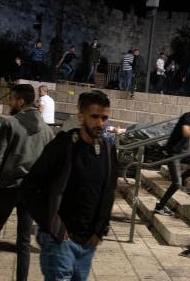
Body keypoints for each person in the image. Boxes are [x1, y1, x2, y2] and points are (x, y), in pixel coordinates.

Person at [22, 90, 120, 280]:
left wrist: (101, 229)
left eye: (104, 117)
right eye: (95, 117)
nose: (100, 123)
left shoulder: (108, 150)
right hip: (59, 242)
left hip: (88, 244)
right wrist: (52, 224)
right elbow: (29, 188)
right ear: (81, 116)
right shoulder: (63, 146)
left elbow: (108, 191)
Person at [0, 84, 54, 281]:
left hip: (9, 187)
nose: (9, 102)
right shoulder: (47, 132)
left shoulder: (10, 124)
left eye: (11, 99)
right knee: (23, 241)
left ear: (21, 101)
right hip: (31, 191)